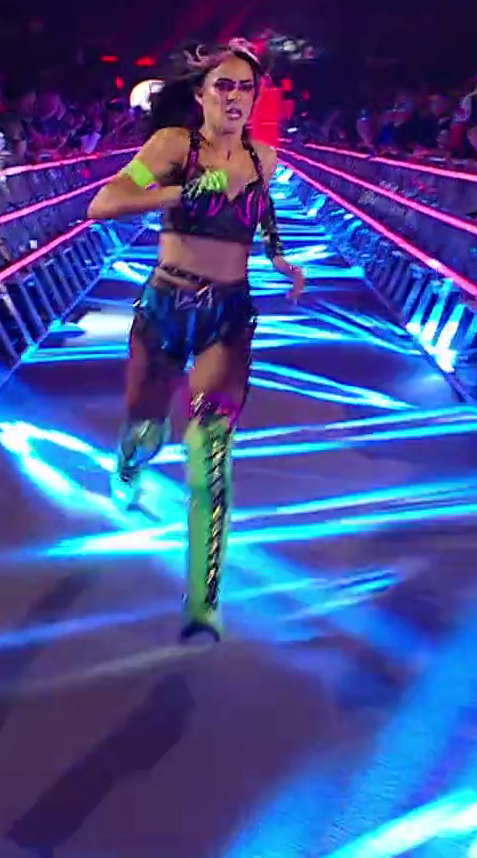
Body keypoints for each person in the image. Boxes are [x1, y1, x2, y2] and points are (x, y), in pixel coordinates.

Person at [84, 40, 307, 643]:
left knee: (210, 454)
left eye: (245, 88)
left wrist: (281, 259)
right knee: (145, 426)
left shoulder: (265, 158)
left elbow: (260, 217)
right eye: (223, 86)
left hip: (229, 317)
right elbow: (104, 203)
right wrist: (178, 192)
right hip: (165, 308)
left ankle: (204, 601)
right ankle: (129, 463)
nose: (235, 97)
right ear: (202, 94)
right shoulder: (171, 146)